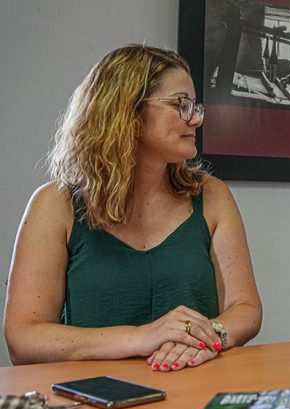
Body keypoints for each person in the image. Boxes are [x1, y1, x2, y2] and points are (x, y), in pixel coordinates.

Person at [4, 44, 263, 369]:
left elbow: (246, 310)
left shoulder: (212, 195)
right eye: (180, 105)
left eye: (195, 107)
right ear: (127, 112)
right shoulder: (54, 205)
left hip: (197, 384)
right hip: (95, 392)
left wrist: (211, 336)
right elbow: (23, 339)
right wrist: (140, 337)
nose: (196, 119)